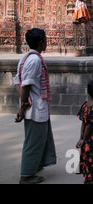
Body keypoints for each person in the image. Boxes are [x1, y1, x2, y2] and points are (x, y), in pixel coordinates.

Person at [13, 28, 56, 184]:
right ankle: (27, 175)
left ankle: (35, 165)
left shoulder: (26, 57)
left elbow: (16, 81)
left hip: (37, 107)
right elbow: (25, 85)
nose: (46, 42)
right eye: (45, 39)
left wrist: (23, 103)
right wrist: (23, 106)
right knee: (33, 142)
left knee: (40, 138)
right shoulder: (35, 60)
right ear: (40, 42)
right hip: (36, 109)